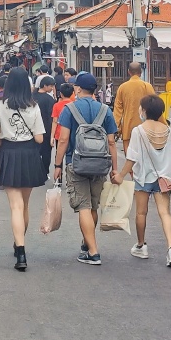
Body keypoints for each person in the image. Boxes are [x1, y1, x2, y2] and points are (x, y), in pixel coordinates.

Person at [53, 72, 119, 267]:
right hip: (100, 164)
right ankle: (86, 243)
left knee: (83, 206)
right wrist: (114, 169)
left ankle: (93, 251)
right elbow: (112, 142)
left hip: (77, 163)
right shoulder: (105, 110)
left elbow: (63, 139)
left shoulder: (69, 109)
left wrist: (57, 165)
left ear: (78, 89)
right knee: (93, 206)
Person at [0, 66, 47, 271]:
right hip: (30, 154)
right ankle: (19, 243)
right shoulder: (34, 106)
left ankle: (20, 251)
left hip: (8, 152)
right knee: (25, 204)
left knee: (15, 206)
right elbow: (40, 137)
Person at [119, 94, 171, 268]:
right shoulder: (167, 129)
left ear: (143, 110)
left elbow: (132, 157)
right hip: (164, 178)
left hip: (144, 176)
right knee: (165, 213)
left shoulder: (138, 130)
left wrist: (121, 175)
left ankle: (141, 245)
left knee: (141, 213)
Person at [113, 62, 157, 157]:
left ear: (129, 72)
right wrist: (162, 123)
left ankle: (132, 172)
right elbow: (155, 106)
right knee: (145, 155)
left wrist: (116, 127)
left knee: (130, 155)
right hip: (145, 126)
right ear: (141, 72)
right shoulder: (147, 86)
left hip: (128, 126)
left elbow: (118, 110)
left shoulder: (122, 87)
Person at [33, 75, 56, 168]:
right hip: (46, 130)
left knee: (35, 151)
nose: (52, 88)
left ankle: (35, 170)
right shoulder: (50, 100)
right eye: (51, 86)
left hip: (33, 129)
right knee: (46, 153)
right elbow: (51, 117)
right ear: (45, 86)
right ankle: (45, 171)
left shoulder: (31, 96)